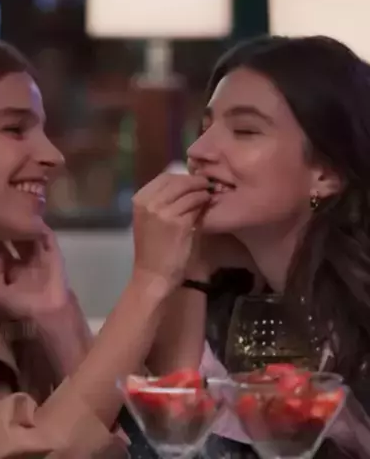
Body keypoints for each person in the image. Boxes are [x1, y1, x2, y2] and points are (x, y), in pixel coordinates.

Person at [0, 38, 213, 458]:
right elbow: (36, 450)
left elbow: (109, 452)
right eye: (14, 129)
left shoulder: (5, 293)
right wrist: (149, 281)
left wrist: (60, 321)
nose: (53, 155)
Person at [148, 35, 370, 458]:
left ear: (326, 174)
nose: (198, 151)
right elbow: (176, 443)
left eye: (245, 131)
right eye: (205, 128)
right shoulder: (233, 311)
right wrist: (190, 268)